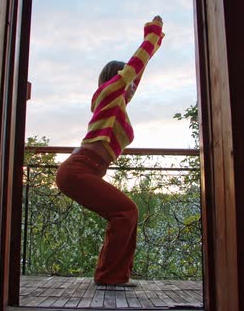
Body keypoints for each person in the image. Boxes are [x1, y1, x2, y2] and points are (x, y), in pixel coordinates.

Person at [55, 16, 165, 286]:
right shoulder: (111, 91)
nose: (133, 87)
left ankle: (116, 275)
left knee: (127, 213)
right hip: (78, 169)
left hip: (85, 170)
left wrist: (154, 46)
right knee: (125, 212)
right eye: (130, 81)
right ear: (119, 79)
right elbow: (136, 65)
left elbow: (136, 74)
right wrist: (153, 35)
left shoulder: (117, 106)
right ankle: (109, 276)